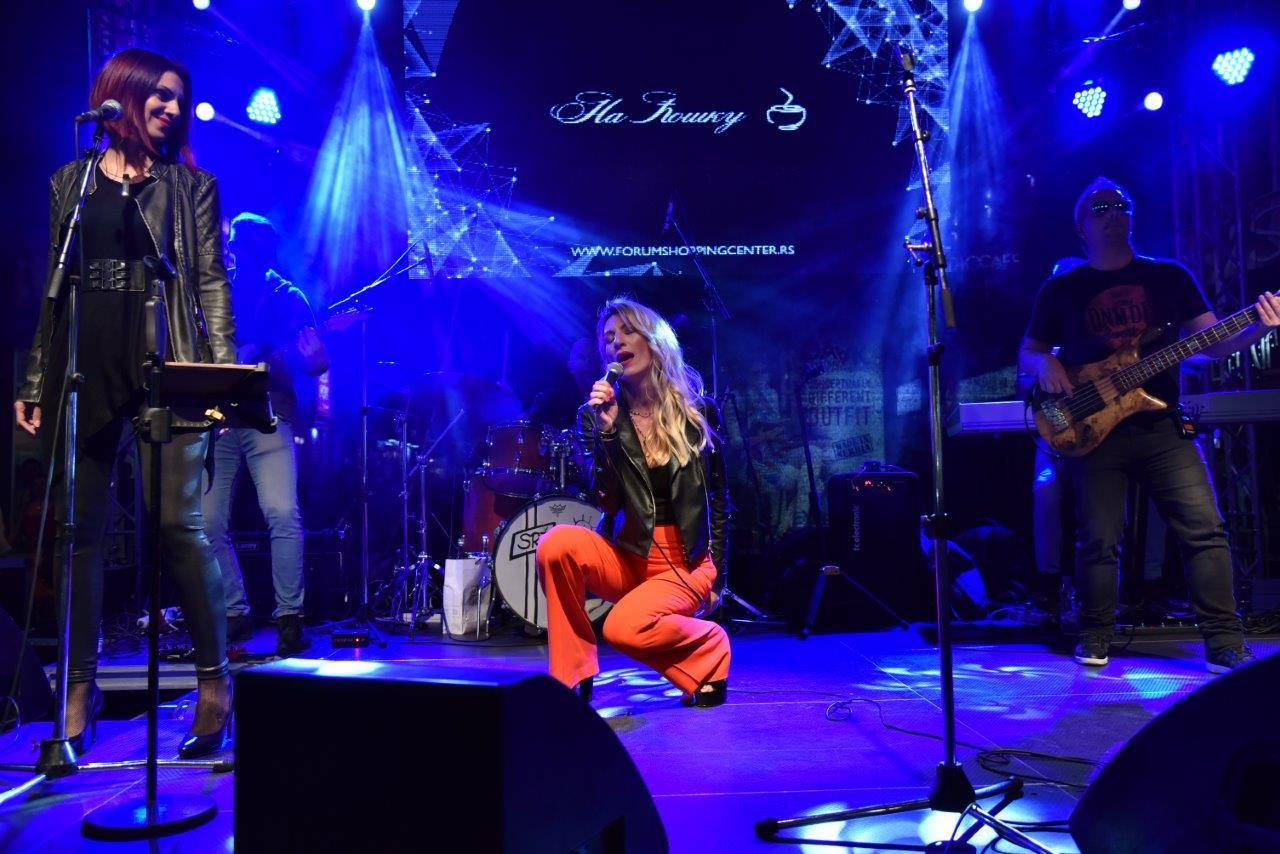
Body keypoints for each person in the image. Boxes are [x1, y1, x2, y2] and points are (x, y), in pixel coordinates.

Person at [14, 48, 234, 757]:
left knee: (178, 527)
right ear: (122, 94)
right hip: (86, 363)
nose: (172, 108)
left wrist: (219, 376)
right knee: (77, 533)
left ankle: (214, 686)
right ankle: (79, 692)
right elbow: (54, 288)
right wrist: (36, 379)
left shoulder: (190, 186)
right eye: (160, 94)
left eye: (179, 99)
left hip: (166, 361)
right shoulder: (70, 182)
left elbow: (210, 282)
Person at [1018, 176, 1280, 671]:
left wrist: (1258, 328)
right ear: (1081, 227)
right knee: (1098, 538)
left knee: (1204, 529)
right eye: (1100, 207)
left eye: (1120, 204)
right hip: (1093, 430)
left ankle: (1225, 642)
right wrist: (1045, 362)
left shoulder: (1169, 277)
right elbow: (1028, 352)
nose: (1113, 212)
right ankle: (1095, 635)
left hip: (1162, 425)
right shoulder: (1062, 288)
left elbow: (1214, 344)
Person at [536, 297, 731, 707]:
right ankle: (572, 673)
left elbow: (719, 499)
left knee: (622, 628)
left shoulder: (698, 411)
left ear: (655, 339)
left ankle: (710, 644)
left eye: (628, 331)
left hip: (685, 563)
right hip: (627, 555)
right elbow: (605, 501)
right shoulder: (594, 415)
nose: (617, 343)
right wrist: (608, 433)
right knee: (555, 544)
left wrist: (718, 580)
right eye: (608, 338)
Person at [202, 213, 328, 657]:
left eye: (245, 243)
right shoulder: (217, 291)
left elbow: (314, 363)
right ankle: (234, 611)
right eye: (236, 243)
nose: (236, 250)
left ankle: (289, 617)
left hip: (270, 415)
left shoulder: (288, 297)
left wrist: (316, 357)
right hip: (219, 418)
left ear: (264, 250)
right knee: (206, 520)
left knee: (281, 512)